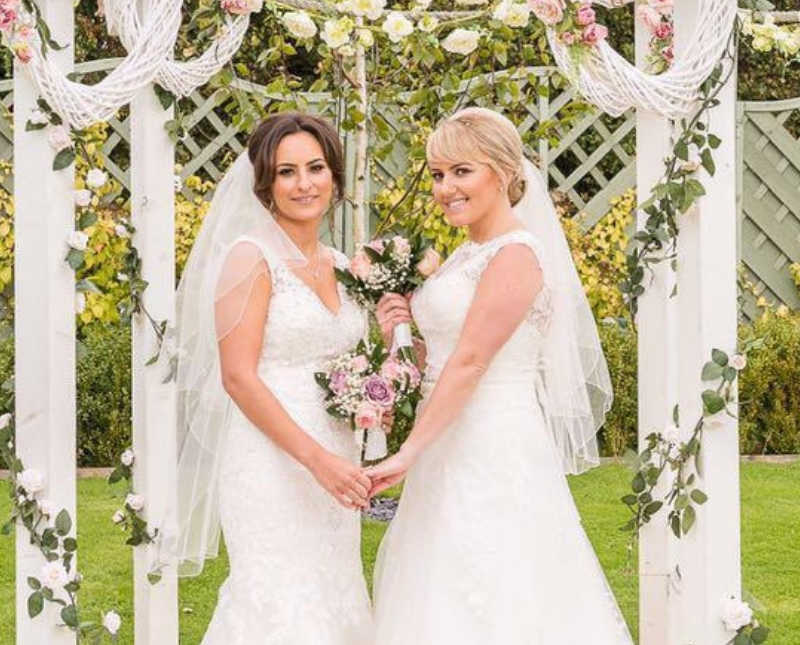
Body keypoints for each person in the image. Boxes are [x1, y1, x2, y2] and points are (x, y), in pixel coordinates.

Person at [368, 107, 633, 644]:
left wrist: (406, 452)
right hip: (446, 440)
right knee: (437, 586)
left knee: (498, 585)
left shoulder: (515, 255)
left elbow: (470, 363)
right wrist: (402, 334)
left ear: (505, 173)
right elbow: (442, 359)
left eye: (462, 171)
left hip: (492, 443)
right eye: (438, 174)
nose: (445, 188)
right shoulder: (466, 254)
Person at [169, 112, 373, 644]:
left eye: (315, 167)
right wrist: (317, 460)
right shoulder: (249, 258)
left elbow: (344, 360)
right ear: (264, 182)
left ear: (334, 175)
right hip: (273, 458)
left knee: (334, 592)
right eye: (287, 172)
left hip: (338, 454)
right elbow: (238, 377)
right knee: (278, 596)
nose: (304, 184)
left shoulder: (340, 263)